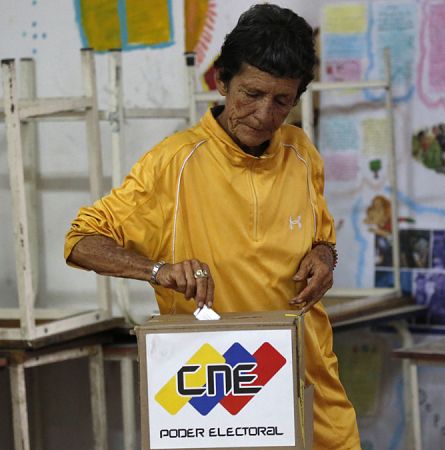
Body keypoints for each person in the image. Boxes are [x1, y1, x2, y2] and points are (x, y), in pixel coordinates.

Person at [65, 4, 360, 449]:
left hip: (312, 397)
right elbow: (80, 241)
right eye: (251, 94)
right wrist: (157, 271)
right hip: (220, 407)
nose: (264, 114)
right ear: (221, 83)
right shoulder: (174, 164)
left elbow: (320, 236)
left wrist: (324, 255)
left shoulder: (302, 154)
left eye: (282, 101)